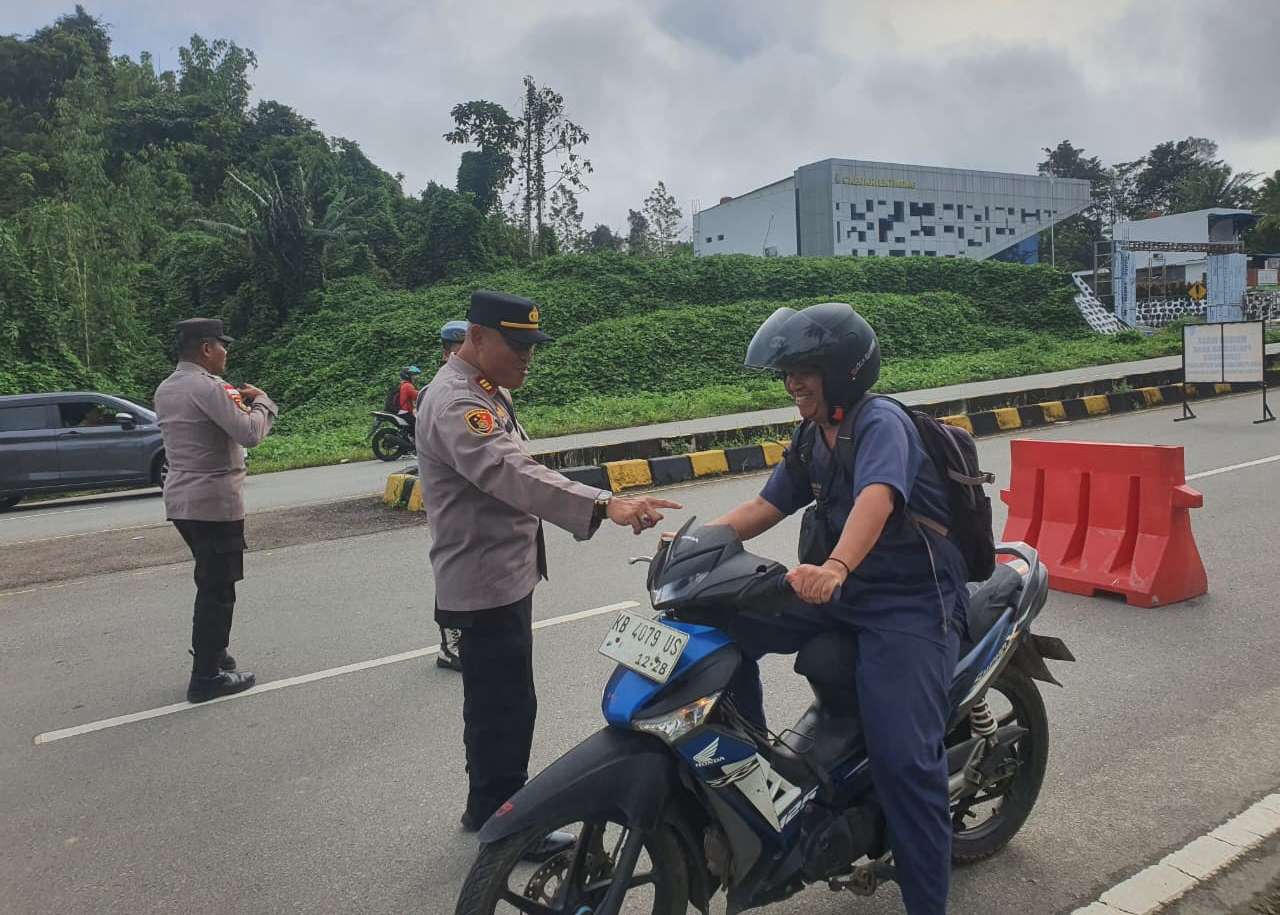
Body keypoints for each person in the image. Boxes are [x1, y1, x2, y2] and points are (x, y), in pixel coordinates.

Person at [709, 302, 967, 915]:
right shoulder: (812, 435)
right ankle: (756, 763)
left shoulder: (882, 423)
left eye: (805, 371)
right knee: (724, 622)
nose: (792, 383)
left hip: (908, 603)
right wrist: (697, 541)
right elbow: (765, 507)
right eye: (786, 373)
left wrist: (836, 567)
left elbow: (877, 497)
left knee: (906, 763)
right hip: (838, 592)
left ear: (843, 371)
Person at [416, 290, 681, 857]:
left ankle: (487, 807)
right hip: (484, 581)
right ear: (477, 337)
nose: (527, 357)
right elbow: (512, 472)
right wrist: (603, 503)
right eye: (516, 346)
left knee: (501, 703)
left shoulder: (484, 389)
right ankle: (503, 823)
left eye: (532, 346)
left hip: (498, 574)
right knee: (504, 708)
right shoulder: (458, 402)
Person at [154, 318, 278, 703]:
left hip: (183, 501)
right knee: (218, 588)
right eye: (223, 345)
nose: (226, 352)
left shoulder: (167, 387)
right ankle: (206, 676)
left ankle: (215, 654)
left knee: (209, 579)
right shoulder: (209, 387)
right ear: (207, 348)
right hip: (214, 502)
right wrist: (263, 402)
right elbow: (250, 433)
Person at [426, 319, 470, 672]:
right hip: (455, 504)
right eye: (458, 348)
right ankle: (450, 643)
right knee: (454, 575)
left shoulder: (482, 388)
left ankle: (462, 637)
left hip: (471, 507)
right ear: (446, 352)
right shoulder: (440, 392)